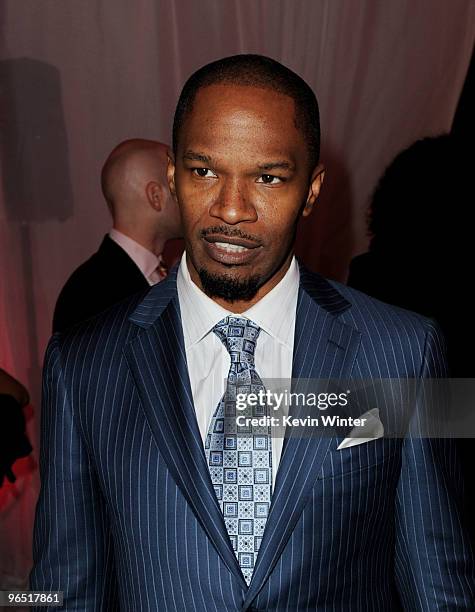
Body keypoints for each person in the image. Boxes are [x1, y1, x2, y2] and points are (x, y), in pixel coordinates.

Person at [30, 55, 474, 610]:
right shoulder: (81, 365)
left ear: (311, 191)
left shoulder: (406, 350)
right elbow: (64, 590)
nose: (231, 209)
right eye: (204, 171)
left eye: (267, 177)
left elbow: (439, 584)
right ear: (171, 178)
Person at [52, 138, 182, 333]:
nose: (190, 197)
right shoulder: (90, 295)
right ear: (156, 197)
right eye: (177, 186)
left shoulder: (168, 273)